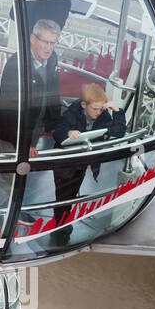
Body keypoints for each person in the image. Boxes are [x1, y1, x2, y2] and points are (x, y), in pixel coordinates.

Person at [0, 19, 64, 231]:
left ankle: (14, 205)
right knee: (9, 173)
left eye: (52, 43)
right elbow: (12, 111)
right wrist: (24, 143)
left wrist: (60, 125)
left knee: (23, 170)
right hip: (14, 131)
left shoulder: (52, 60)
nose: (48, 48)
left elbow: (53, 92)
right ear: (32, 39)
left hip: (34, 129)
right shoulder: (16, 65)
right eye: (44, 42)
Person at [49, 83, 126, 244]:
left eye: (101, 109)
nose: (98, 113)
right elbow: (58, 132)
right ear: (84, 105)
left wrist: (117, 112)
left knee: (72, 190)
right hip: (65, 162)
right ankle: (60, 225)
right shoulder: (72, 112)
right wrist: (68, 133)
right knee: (63, 193)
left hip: (82, 161)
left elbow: (118, 132)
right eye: (95, 109)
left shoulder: (103, 114)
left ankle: (62, 223)